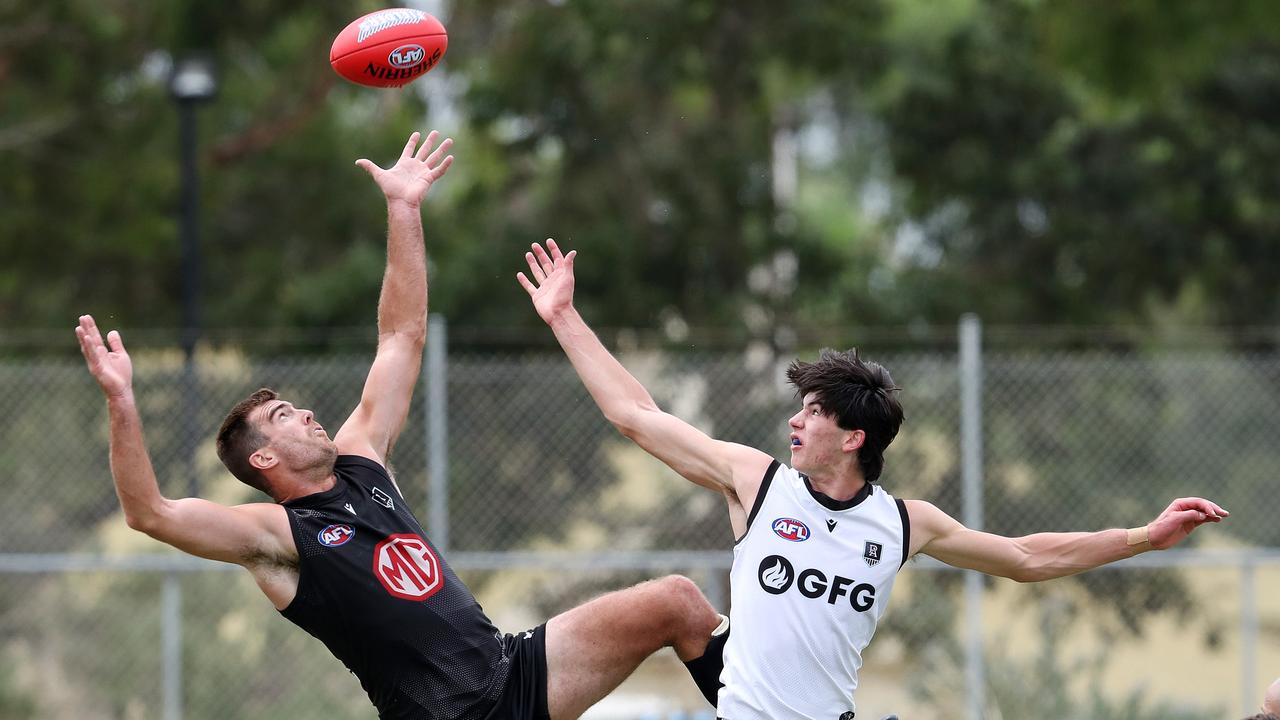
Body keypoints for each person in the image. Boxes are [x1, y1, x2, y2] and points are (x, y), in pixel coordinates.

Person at [76, 132, 723, 720]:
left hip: (508, 671)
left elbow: (401, 335)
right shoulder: (277, 538)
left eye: (294, 406)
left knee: (678, 603)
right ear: (265, 462)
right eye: (282, 419)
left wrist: (404, 208)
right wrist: (120, 399)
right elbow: (150, 513)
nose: (304, 413)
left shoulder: (361, 458)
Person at [516, 238, 1232, 719]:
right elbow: (636, 415)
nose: (795, 423)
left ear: (854, 437)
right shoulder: (756, 483)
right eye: (798, 408)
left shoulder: (902, 523)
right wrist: (565, 318)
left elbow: (1025, 557)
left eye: (813, 412)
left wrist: (1143, 536)